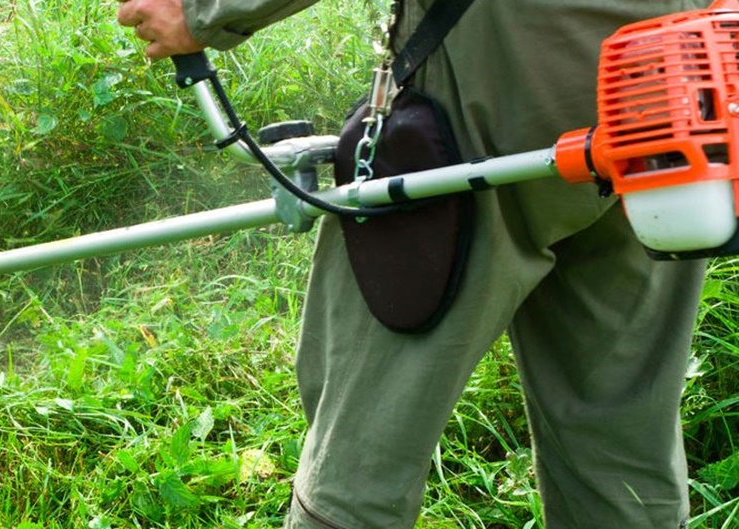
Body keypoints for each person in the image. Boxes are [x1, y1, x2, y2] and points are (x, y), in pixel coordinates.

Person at [115, 0, 711, 527]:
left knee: (370, 411)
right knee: (618, 414)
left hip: (501, 71)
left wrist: (199, 9)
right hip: (675, 73)